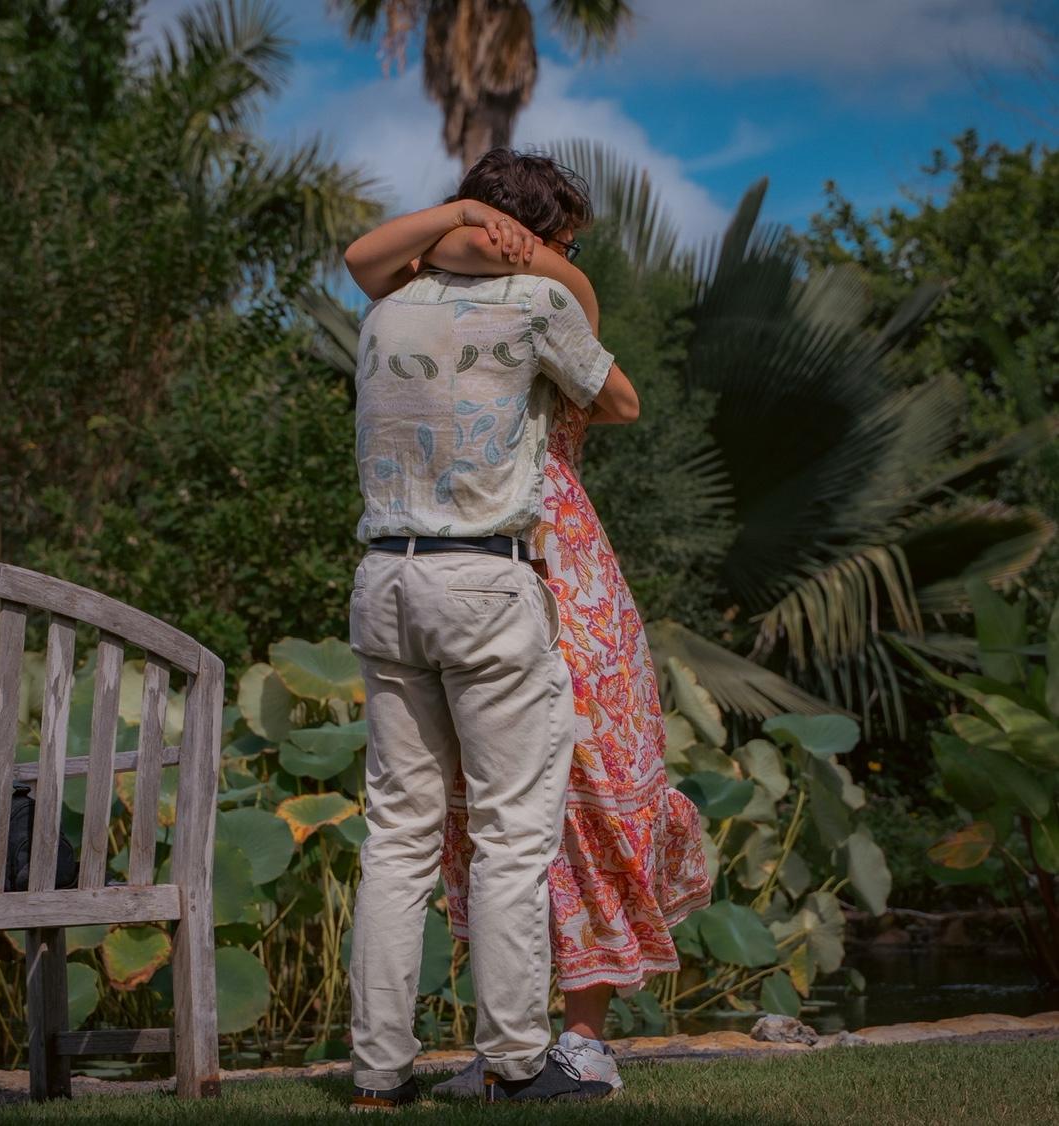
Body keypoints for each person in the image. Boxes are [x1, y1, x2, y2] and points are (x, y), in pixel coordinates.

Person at [348, 149, 713, 1097]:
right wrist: (539, 265)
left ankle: (376, 1076)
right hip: (493, 576)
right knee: (517, 834)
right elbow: (620, 400)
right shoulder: (538, 302)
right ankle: (518, 1063)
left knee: (398, 838)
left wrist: (462, 224)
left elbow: (363, 254)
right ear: (538, 236)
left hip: (385, 577)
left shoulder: (388, 305)